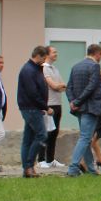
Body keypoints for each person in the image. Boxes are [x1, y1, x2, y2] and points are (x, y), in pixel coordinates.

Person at [65, 44, 101, 177]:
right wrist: (77, 102)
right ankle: (73, 168)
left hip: (79, 108)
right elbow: (92, 87)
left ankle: (91, 169)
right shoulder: (94, 66)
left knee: (86, 137)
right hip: (90, 108)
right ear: (97, 54)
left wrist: (72, 102)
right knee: (85, 138)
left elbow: (69, 87)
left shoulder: (76, 66)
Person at [18, 46, 50, 178]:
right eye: (44, 58)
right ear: (38, 56)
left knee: (28, 138)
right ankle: (29, 165)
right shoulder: (29, 70)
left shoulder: (35, 69)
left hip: (33, 107)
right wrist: (46, 107)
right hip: (31, 108)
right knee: (42, 135)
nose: (44, 61)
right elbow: (33, 93)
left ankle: (27, 168)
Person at [38, 46, 67, 170]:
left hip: (57, 104)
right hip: (49, 105)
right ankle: (41, 159)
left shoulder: (54, 69)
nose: (56, 54)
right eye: (54, 52)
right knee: (46, 132)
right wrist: (59, 86)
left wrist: (59, 86)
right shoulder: (44, 68)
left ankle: (50, 159)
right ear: (47, 54)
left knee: (54, 133)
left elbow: (63, 86)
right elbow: (54, 86)